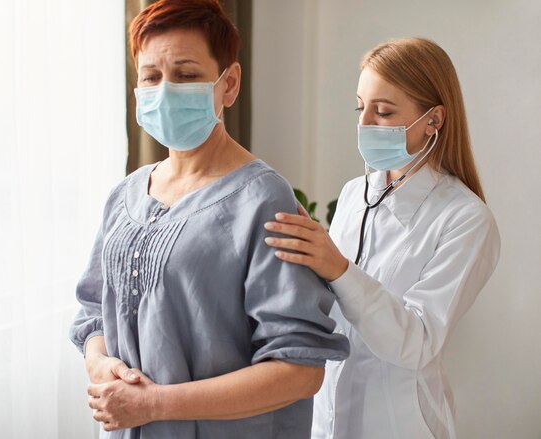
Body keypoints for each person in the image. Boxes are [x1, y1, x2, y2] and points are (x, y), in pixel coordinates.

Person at [68, 0, 349, 438]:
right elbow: (93, 315)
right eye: (151, 76)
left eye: (186, 75)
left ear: (229, 84)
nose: (164, 90)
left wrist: (153, 404)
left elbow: (299, 370)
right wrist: (102, 365)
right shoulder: (125, 195)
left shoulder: (262, 199)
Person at [264, 37, 500, 439]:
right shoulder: (356, 193)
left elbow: (418, 343)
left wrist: (336, 267)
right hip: (326, 421)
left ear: (434, 120)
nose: (364, 124)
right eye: (361, 108)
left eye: (384, 111)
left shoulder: (466, 220)